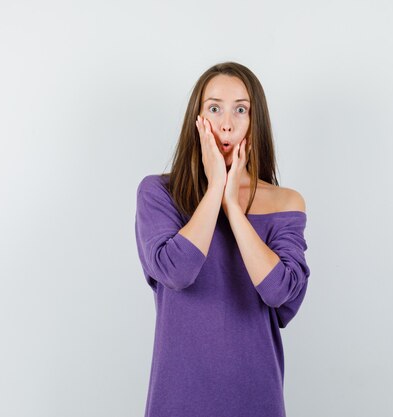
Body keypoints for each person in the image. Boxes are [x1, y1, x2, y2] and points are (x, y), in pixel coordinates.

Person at [134, 61, 311, 417]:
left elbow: (279, 293)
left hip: (256, 397)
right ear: (197, 120)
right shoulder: (158, 193)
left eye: (240, 110)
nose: (226, 124)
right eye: (214, 108)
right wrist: (216, 187)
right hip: (178, 398)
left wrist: (233, 204)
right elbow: (177, 271)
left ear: (254, 121)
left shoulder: (285, 202)